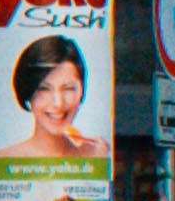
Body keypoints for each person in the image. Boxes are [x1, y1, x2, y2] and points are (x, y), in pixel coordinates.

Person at [11, 32, 107, 164]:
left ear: (81, 91)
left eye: (68, 88)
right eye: (44, 89)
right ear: (27, 91)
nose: (58, 103)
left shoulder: (97, 155)